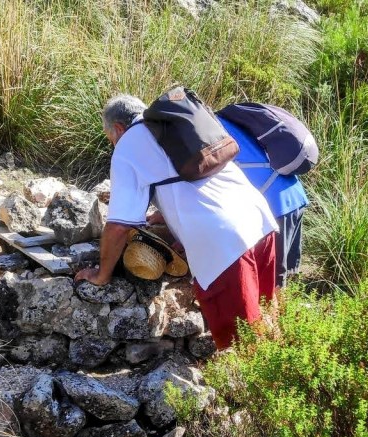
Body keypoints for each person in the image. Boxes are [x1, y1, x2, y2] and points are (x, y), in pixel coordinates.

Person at [74, 94, 278, 351]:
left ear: (117, 128)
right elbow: (190, 181)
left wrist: (101, 275)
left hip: (226, 243)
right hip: (258, 220)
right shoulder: (172, 127)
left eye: (110, 137)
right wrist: (167, 215)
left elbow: (118, 226)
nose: (113, 143)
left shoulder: (128, 145)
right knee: (266, 320)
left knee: (242, 342)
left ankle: (251, 390)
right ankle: (281, 383)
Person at [218, 115, 309, 288]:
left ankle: (279, 313)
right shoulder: (229, 121)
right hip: (293, 192)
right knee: (287, 273)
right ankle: (289, 309)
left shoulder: (209, 136)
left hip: (274, 205)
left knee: (272, 281)